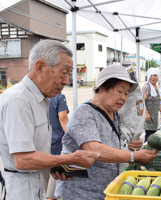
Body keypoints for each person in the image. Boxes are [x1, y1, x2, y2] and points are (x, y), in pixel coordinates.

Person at [0, 40, 100, 200]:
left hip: (33, 183)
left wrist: (54, 164)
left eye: (69, 74)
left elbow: (34, 151)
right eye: (64, 73)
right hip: (18, 190)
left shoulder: (41, 99)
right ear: (40, 67)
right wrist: (70, 158)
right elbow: (23, 160)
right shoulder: (19, 100)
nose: (67, 81)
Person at [55, 65, 157, 199]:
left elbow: (113, 144)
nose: (123, 97)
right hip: (80, 193)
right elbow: (94, 149)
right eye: (120, 91)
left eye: (126, 93)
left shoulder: (115, 115)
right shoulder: (84, 113)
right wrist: (133, 156)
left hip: (105, 192)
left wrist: (129, 143)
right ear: (102, 88)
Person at [42, 94, 69, 200]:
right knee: (55, 180)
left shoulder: (39, 96)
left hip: (41, 144)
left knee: (45, 176)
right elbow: (63, 118)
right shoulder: (59, 97)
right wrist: (72, 138)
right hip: (56, 143)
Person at [143, 68, 161, 142]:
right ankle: (146, 150)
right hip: (148, 117)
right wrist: (146, 113)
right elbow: (141, 101)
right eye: (151, 75)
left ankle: (149, 150)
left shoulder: (156, 87)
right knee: (149, 136)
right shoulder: (147, 87)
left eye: (155, 75)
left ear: (158, 76)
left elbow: (156, 101)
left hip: (154, 116)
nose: (153, 77)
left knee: (152, 134)